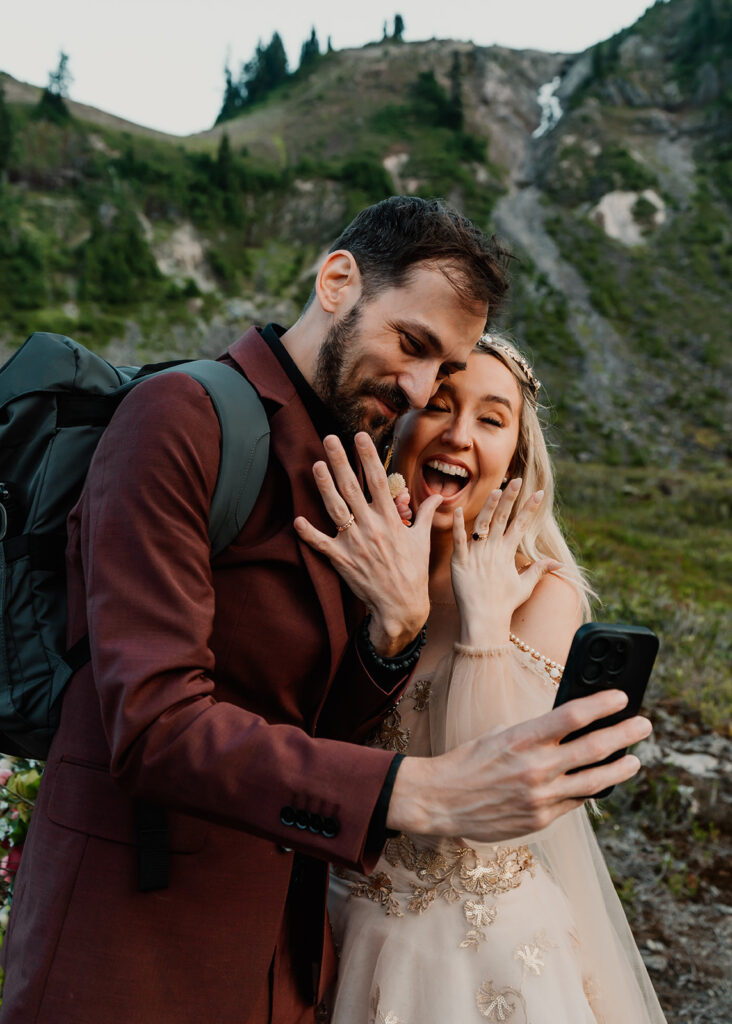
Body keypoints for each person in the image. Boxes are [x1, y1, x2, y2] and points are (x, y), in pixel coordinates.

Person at [0, 197, 651, 1024]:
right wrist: (418, 793)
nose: (418, 389)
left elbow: (302, 721)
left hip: (291, 964)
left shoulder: (349, 466)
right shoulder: (182, 417)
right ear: (339, 280)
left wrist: (393, 634)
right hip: (136, 956)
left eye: (442, 371)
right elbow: (155, 725)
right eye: (413, 346)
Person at [322, 336, 667, 1023]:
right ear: (400, 423)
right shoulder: (362, 561)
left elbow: (501, 798)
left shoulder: (544, 592)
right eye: (440, 406)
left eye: (490, 418)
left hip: (480, 956)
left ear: (516, 452)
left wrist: (482, 624)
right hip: (344, 924)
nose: (457, 434)